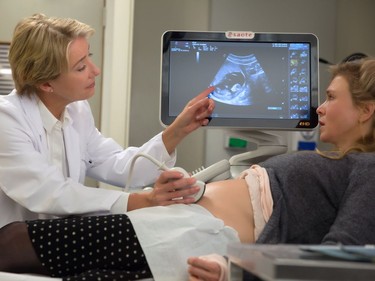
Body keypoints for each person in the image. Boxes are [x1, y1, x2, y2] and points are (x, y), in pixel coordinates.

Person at [1, 58, 375, 280]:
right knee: (20, 245)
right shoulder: (341, 164)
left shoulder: (369, 168)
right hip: (181, 224)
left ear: (366, 110)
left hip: (187, 235)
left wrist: (235, 270)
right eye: (82, 64)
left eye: (330, 97)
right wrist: (192, 179)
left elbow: (335, 261)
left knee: (18, 244)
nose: (320, 108)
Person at [0, 13, 215, 228]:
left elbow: (118, 166)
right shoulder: (7, 118)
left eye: (89, 57)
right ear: (46, 84)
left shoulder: (76, 110)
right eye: (81, 67)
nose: (96, 71)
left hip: (57, 243)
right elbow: (49, 191)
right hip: (14, 248)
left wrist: (177, 130)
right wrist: (142, 200)